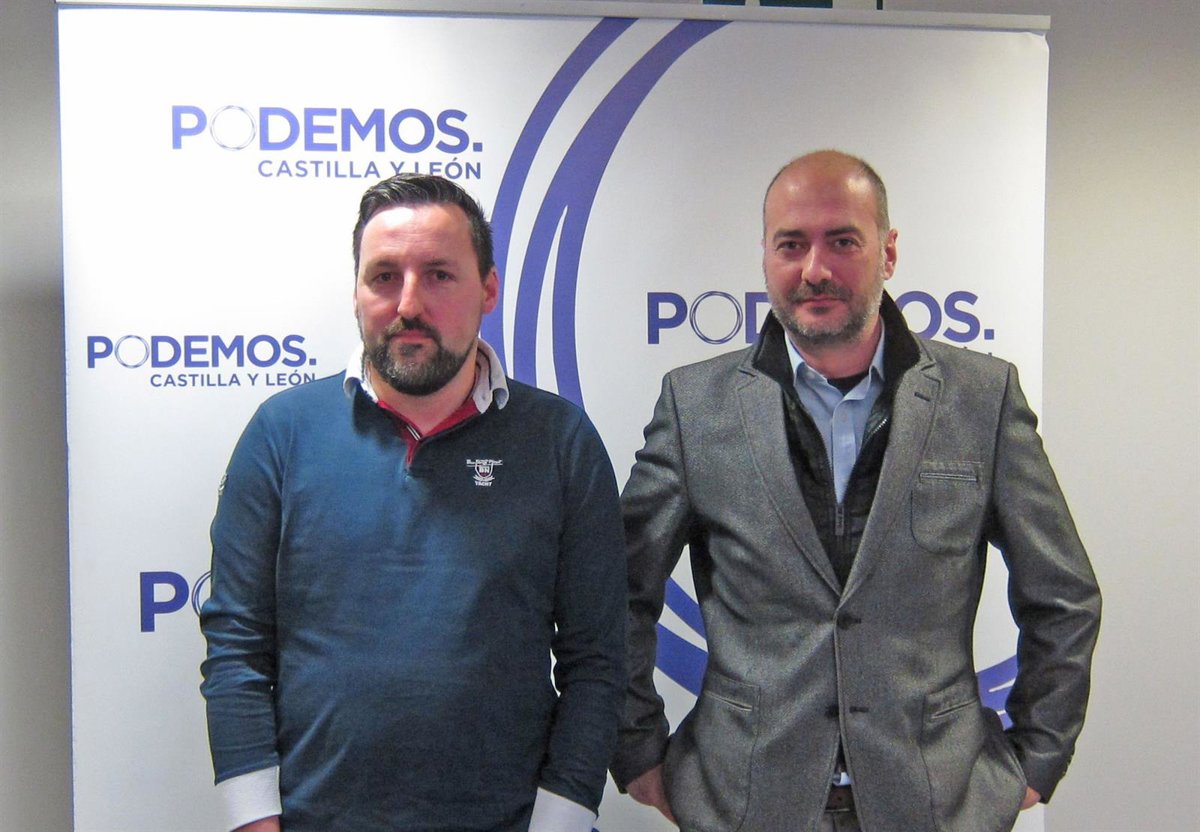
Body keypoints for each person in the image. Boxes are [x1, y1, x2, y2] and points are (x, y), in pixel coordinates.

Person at [610, 150, 1101, 832]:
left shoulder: (982, 399)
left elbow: (1063, 596)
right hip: (743, 805)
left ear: (888, 252)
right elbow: (615, 590)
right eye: (791, 244)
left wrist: (1037, 757)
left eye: (842, 241)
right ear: (765, 256)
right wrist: (636, 747)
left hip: (938, 803)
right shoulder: (695, 407)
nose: (815, 269)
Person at [200, 174, 626, 832]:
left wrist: (562, 818)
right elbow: (238, 645)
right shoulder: (282, 434)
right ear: (356, 293)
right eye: (384, 277)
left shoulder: (559, 440)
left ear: (488, 289)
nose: (408, 303)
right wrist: (254, 818)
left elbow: (597, 659)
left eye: (438, 275)